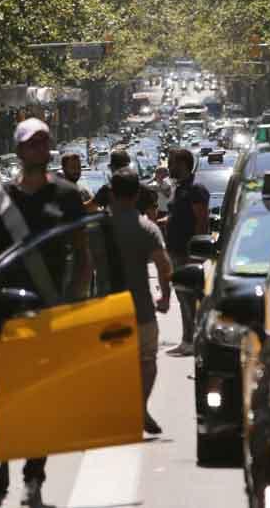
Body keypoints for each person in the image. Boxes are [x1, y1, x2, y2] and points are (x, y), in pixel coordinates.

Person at [0, 117, 92, 508]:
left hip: (48, 312)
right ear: (19, 150)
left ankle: (34, 475)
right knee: (4, 398)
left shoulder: (67, 195)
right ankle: (2, 469)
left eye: (43, 143)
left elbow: (83, 256)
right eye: (31, 144)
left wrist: (73, 300)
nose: (38, 150)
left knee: (41, 399)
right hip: (6, 315)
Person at [108, 167, 173, 435]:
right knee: (147, 360)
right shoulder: (148, 228)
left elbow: (83, 266)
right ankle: (140, 406)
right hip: (141, 309)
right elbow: (163, 265)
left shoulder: (99, 227)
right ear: (137, 195)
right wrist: (165, 296)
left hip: (106, 311)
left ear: (112, 193)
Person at [158, 148, 209, 357]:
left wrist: (195, 253)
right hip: (175, 250)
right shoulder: (179, 189)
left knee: (190, 299)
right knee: (183, 298)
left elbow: (202, 220)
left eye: (173, 162)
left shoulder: (196, 189)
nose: (169, 166)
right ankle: (187, 340)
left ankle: (194, 341)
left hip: (188, 254)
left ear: (184, 164)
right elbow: (178, 216)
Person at [89, 149, 156, 215]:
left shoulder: (108, 189)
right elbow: (152, 212)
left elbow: (89, 208)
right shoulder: (144, 188)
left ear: (112, 167)